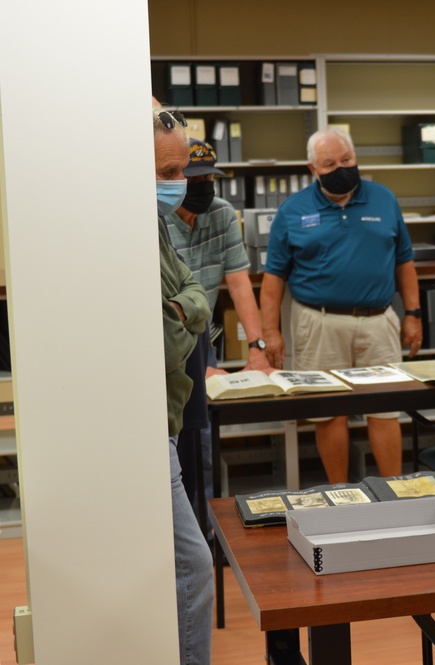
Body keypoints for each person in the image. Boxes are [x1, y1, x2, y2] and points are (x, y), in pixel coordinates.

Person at [260, 126, 421, 483]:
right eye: (329, 163)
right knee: (329, 413)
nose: (341, 168)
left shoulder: (384, 199)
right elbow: (273, 279)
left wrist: (413, 314)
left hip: (379, 321)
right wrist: (269, 333)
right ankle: (341, 495)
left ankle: (393, 490)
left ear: (356, 157)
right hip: (319, 323)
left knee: (386, 411)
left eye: (346, 160)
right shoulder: (293, 210)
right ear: (312, 169)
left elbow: (404, 262)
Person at [165, 138, 273, 507]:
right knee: (174, 442)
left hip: (202, 342)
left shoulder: (223, 213)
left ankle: (206, 527)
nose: (203, 189)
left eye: (209, 179)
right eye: (194, 182)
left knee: (203, 440)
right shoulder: (157, 219)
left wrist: (257, 349)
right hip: (168, 342)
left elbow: (240, 284)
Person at [153, 106, 214, 664]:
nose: (179, 185)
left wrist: (183, 310)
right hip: (145, 428)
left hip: (166, 421)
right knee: (194, 572)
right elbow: (160, 343)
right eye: (168, 174)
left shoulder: (154, 223)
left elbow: (196, 292)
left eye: (181, 173)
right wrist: (185, 316)